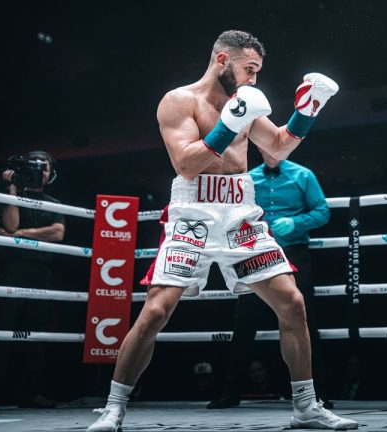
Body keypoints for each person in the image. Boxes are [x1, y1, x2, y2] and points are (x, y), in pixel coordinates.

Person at [86, 30, 357, 431]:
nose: (254, 79)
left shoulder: (244, 103)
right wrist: (231, 122)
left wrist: (308, 110)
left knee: (292, 303)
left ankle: (305, 406)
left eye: (258, 72)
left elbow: (278, 147)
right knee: (157, 310)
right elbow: (185, 164)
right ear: (222, 60)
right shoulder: (179, 101)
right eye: (250, 69)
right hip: (193, 212)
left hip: (239, 211)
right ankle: (114, 407)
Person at [208, 151, 331, 408]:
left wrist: (296, 222)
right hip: (257, 252)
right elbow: (232, 213)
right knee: (244, 321)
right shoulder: (248, 179)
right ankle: (230, 392)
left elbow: (322, 212)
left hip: (294, 252)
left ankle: (317, 393)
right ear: (260, 148)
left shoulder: (302, 175)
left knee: (305, 318)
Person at [0, 150, 63, 411]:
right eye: (35, 166)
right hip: (10, 269)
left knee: (35, 335)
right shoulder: (10, 197)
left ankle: (31, 393)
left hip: (41, 270)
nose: (39, 171)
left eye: (44, 167)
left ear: (51, 174)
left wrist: (20, 234)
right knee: (0, 331)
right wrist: (13, 189)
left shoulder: (54, 202)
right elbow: (10, 224)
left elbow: (58, 233)